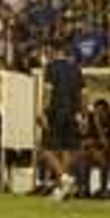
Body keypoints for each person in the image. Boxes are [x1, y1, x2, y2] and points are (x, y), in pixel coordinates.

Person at [39, 43, 84, 197]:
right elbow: (84, 94)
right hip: (73, 114)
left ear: (56, 52)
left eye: (48, 52)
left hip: (56, 112)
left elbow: (48, 91)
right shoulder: (76, 68)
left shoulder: (51, 67)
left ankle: (65, 178)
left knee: (46, 149)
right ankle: (62, 189)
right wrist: (82, 114)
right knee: (67, 150)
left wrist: (43, 111)